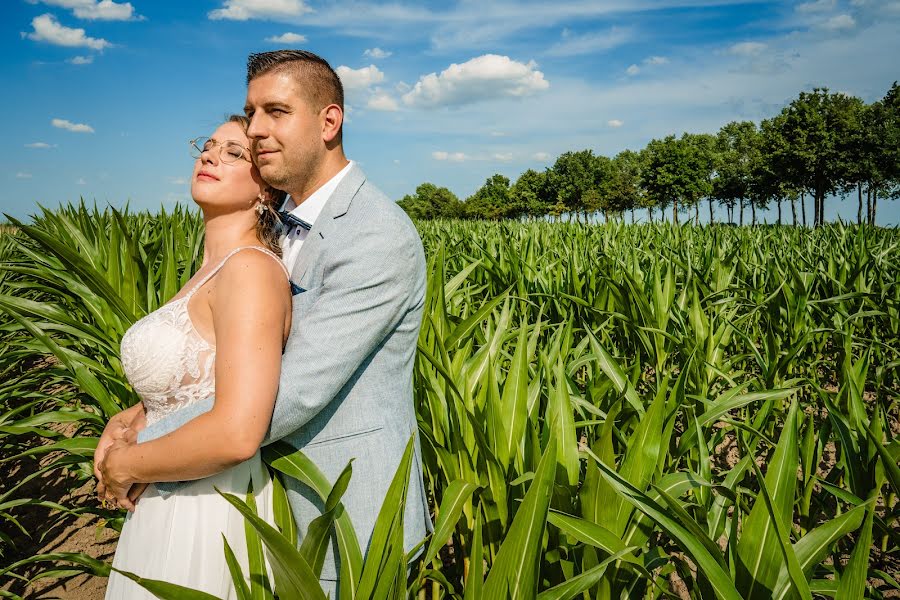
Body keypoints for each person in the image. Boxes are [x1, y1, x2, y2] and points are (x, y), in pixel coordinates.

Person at [96, 50, 432, 597]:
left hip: (344, 517)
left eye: (275, 111)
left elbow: (292, 389)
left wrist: (136, 451)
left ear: (329, 121)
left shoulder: (375, 235)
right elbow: (238, 361)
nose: (255, 130)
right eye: (252, 113)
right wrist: (140, 411)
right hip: (268, 506)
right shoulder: (280, 230)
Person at [98, 115, 293, 598]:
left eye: (233, 153)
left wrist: (127, 466)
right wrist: (131, 416)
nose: (209, 156)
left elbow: (235, 433)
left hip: (206, 510)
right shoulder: (211, 271)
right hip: (171, 497)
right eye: (207, 147)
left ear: (266, 191)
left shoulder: (248, 271)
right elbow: (200, 381)